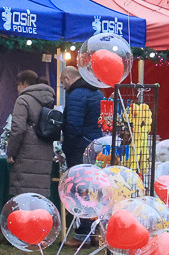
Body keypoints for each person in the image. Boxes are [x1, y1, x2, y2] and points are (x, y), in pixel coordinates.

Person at [61, 65, 104, 245]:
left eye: (63, 81)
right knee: (94, 189)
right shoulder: (98, 93)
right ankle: (95, 232)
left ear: (69, 78)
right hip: (96, 145)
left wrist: (67, 149)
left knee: (80, 189)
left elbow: (73, 126)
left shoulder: (76, 95)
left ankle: (82, 234)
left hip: (80, 146)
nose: (63, 86)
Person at [6, 70, 56, 198]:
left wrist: (11, 152)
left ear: (25, 84)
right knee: (39, 200)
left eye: (19, 84)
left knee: (23, 199)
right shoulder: (49, 99)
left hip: (25, 153)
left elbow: (18, 129)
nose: (17, 88)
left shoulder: (23, 100)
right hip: (45, 151)